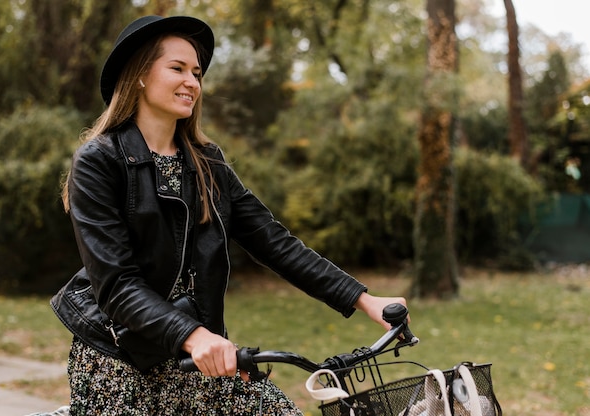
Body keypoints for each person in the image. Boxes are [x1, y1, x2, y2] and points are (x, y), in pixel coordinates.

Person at [50, 15, 408, 415]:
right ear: (139, 75)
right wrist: (194, 335)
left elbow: (274, 242)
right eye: (177, 68)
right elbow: (117, 285)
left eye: (197, 73)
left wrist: (363, 299)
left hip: (197, 352)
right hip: (120, 359)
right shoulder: (100, 162)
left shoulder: (207, 163)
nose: (192, 82)